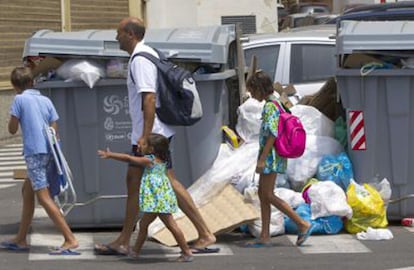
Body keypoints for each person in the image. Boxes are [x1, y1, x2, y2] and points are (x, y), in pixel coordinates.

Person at [94, 17, 216, 255]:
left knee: (165, 182)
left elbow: (149, 98)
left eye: (119, 33)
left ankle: (204, 232)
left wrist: (145, 137)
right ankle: (124, 239)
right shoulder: (148, 53)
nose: (116, 37)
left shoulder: (140, 60)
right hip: (151, 132)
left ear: (130, 34)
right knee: (136, 182)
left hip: (152, 134)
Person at [1, 67, 79, 255]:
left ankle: (70, 239)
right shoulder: (45, 99)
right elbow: (54, 126)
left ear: (14, 86)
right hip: (49, 151)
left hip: (34, 152)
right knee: (27, 191)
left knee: (43, 197)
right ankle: (21, 238)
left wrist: (15, 119)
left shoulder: (20, 99)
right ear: (32, 82)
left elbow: (12, 129)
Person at [98, 133, 193, 262]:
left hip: (158, 201)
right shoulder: (162, 160)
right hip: (157, 200)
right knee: (143, 224)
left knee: (171, 225)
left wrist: (110, 155)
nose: (140, 146)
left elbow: (129, 159)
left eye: (143, 144)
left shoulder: (150, 160)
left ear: (151, 149)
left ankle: (186, 252)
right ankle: (135, 251)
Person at [245, 71, 313, 247]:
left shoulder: (270, 107)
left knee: (267, 194)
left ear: (260, 89)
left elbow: (272, 134)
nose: (251, 95)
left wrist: (262, 159)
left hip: (271, 157)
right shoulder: (277, 103)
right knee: (263, 194)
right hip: (273, 156)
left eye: (252, 91)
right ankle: (265, 235)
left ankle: (301, 223)